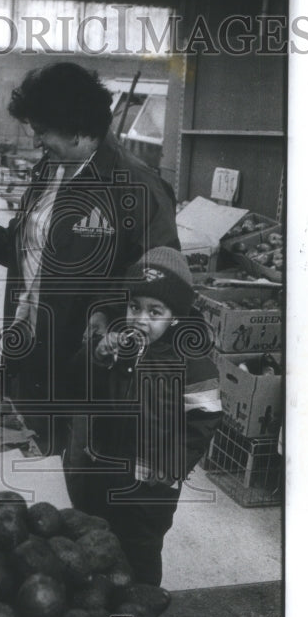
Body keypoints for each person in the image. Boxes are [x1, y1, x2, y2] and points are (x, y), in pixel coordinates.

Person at [0, 62, 180, 452]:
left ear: (79, 127)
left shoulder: (137, 186)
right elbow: (28, 235)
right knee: (25, 443)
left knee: (70, 462)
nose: (35, 141)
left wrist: (109, 312)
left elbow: (162, 277)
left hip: (83, 355)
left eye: (43, 130)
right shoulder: (52, 169)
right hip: (29, 341)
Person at [64, 247, 222, 585]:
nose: (140, 318)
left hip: (152, 487)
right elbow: (78, 386)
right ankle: (99, 611)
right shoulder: (118, 343)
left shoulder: (192, 362)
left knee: (140, 550)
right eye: (134, 306)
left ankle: (142, 615)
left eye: (155, 311)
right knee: (95, 541)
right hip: (103, 470)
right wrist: (97, 356)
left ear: (175, 316)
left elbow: (204, 418)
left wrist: (170, 466)